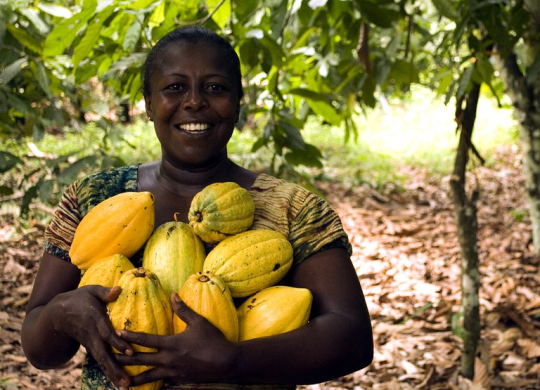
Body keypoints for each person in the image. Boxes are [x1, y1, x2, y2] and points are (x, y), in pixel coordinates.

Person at [21, 26, 373, 390]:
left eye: (215, 88)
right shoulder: (94, 197)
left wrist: (233, 362)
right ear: (148, 104)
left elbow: (353, 339)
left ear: (238, 102)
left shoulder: (293, 210)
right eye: (175, 87)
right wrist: (61, 314)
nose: (194, 102)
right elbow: (39, 348)